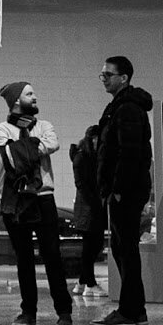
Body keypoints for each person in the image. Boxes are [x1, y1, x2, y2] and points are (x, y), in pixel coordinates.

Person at [0, 81, 74, 325]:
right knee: (24, 259)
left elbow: (52, 144)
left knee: (53, 256)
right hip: (15, 201)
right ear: (17, 100)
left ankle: (64, 312)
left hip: (43, 196)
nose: (35, 96)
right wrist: (31, 148)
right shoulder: (1, 129)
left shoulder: (45, 126)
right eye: (30, 94)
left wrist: (19, 149)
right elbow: (6, 159)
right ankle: (28, 312)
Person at [92, 55, 153, 325]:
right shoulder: (120, 106)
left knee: (125, 249)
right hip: (123, 191)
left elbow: (129, 153)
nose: (103, 77)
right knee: (122, 248)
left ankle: (130, 311)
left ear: (124, 78)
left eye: (108, 74)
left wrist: (117, 190)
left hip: (125, 192)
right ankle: (134, 309)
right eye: (102, 74)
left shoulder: (127, 108)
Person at [68, 125, 105, 300]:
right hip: (88, 208)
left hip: (93, 206)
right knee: (90, 245)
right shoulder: (82, 157)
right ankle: (90, 283)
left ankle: (82, 282)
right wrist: (95, 202)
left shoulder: (91, 156)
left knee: (94, 245)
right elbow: (81, 184)